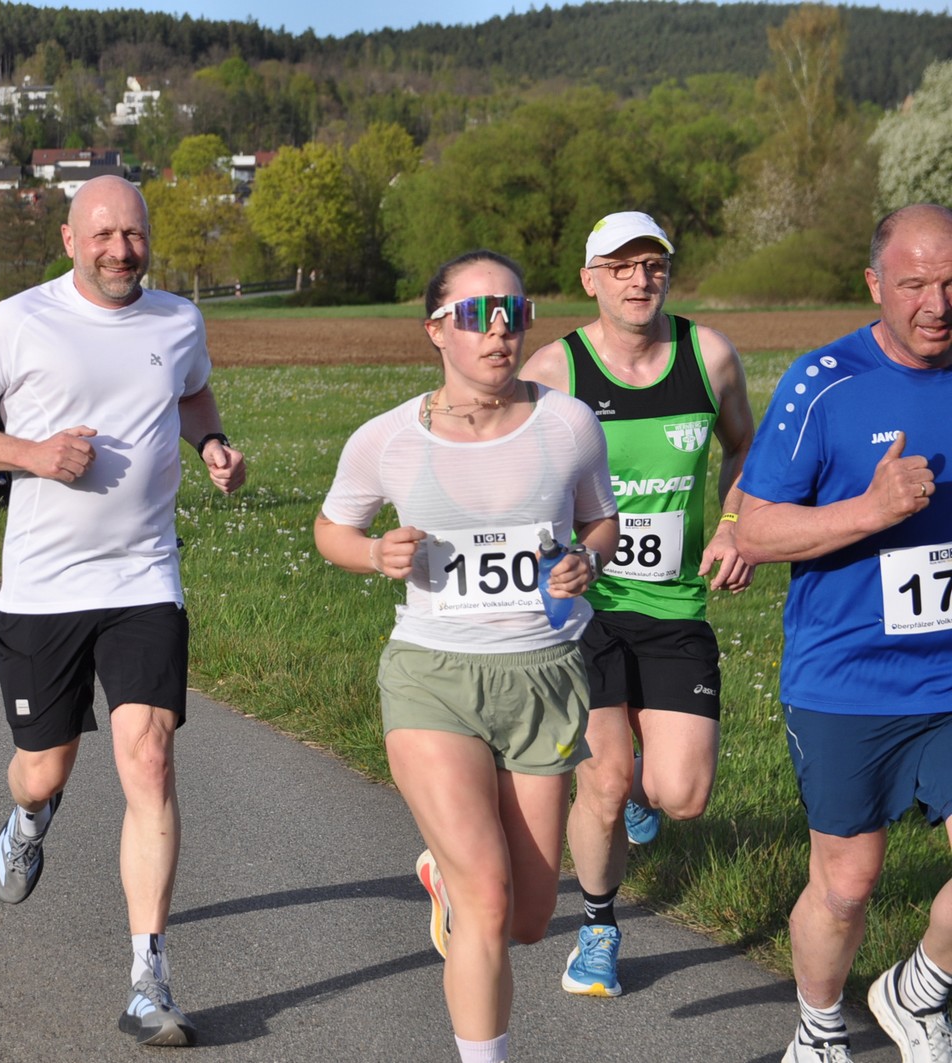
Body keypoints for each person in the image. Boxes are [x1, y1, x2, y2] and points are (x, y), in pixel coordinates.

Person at [0, 175, 245, 1048]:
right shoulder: (21, 320)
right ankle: (29, 819)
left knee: (150, 757)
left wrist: (213, 443)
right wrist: (32, 453)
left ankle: (149, 979)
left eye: (132, 234)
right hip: (45, 590)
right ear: (70, 241)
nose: (120, 250)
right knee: (44, 769)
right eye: (102, 235)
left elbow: (191, 393)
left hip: (144, 578)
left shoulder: (177, 320)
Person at [315, 249, 617, 1063]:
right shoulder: (389, 439)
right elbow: (332, 527)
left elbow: (602, 520)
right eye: (481, 313)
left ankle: (442, 877)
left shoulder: (568, 423)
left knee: (528, 918)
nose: (501, 330)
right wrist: (372, 553)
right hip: (433, 677)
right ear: (436, 330)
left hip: (545, 677)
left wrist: (587, 560)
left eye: (516, 312)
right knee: (487, 900)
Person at [518, 211, 757, 997]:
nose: (639, 279)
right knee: (605, 780)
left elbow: (743, 446)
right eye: (620, 267)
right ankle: (597, 929)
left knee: (681, 796)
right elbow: (512, 472)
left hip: (674, 606)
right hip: (584, 609)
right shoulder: (557, 370)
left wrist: (733, 523)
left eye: (652, 264)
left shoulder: (707, 355)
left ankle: (640, 786)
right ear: (590, 279)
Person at [735, 203, 952, 1063]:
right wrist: (869, 509)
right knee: (847, 885)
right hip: (849, 677)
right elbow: (756, 531)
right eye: (915, 283)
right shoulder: (823, 383)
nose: (937, 303)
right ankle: (820, 1026)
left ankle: (918, 990)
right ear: (874, 284)